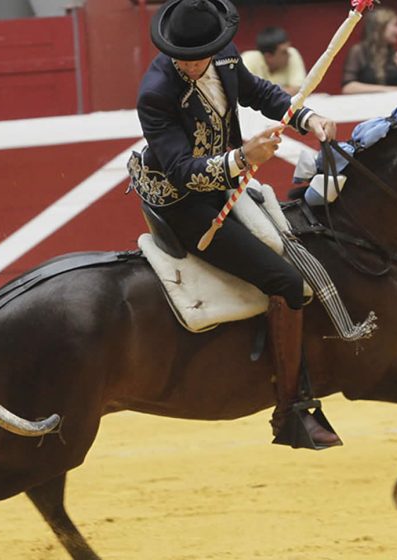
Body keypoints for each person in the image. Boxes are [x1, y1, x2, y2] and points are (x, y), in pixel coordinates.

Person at [129, 0, 341, 447]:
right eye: (180, 57)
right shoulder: (155, 92)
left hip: (225, 181)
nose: (187, 64)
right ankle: (292, 409)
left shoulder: (225, 58)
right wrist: (244, 157)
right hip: (182, 202)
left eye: (196, 56)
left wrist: (309, 117)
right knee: (284, 281)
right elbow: (182, 170)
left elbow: (261, 94)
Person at [341, 7, 397, 94]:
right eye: (395, 25)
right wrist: (388, 90)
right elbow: (348, 87)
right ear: (380, 27)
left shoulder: (395, 54)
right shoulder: (359, 51)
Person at [240, 26, 307, 95]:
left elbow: (299, 90)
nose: (289, 54)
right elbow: (245, 92)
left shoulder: (292, 53)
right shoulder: (248, 59)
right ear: (268, 56)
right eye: (283, 52)